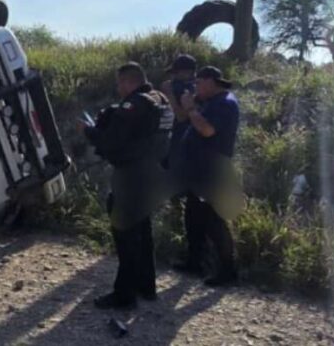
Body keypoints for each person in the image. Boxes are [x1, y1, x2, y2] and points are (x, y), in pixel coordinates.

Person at [81, 62, 173, 309]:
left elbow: (113, 141)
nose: (119, 88)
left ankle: (124, 295)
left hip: (132, 175)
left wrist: (90, 132)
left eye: (120, 83)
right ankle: (147, 286)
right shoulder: (161, 100)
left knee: (126, 235)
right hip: (152, 173)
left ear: (129, 81)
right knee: (143, 232)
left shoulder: (136, 104)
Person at [172, 66, 241, 287]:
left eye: (198, 83)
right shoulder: (212, 101)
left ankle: (228, 270)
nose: (196, 88)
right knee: (193, 217)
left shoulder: (225, 103)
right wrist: (188, 103)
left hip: (213, 172)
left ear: (211, 81)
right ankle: (195, 261)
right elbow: (185, 116)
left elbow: (208, 130)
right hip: (199, 171)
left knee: (214, 220)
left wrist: (192, 108)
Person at [160, 54, 197, 168]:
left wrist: (170, 94)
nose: (173, 77)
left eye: (176, 73)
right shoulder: (177, 86)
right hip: (171, 141)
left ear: (189, 73)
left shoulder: (193, 90)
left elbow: (182, 117)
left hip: (183, 143)